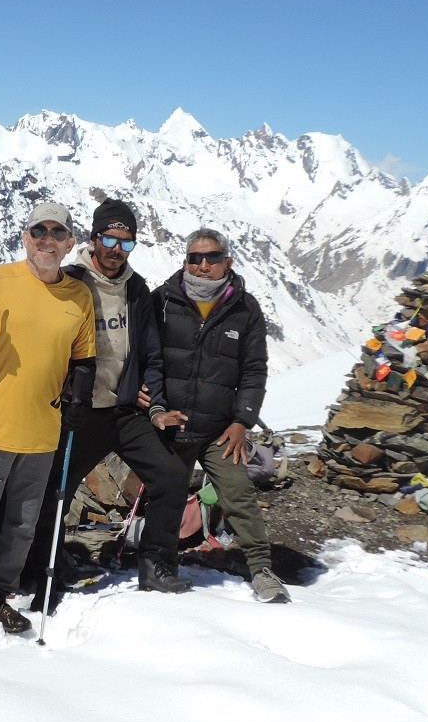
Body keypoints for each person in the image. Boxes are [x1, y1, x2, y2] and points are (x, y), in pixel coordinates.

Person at [0, 203, 96, 646]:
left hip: (44, 430)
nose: (47, 239)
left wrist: (79, 399)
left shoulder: (79, 296)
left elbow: (84, 358)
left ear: (69, 243)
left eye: (57, 232)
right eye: (38, 230)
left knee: (22, 525)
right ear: (24, 237)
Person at [24, 198, 193, 595]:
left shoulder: (136, 290)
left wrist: (154, 405)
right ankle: (44, 562)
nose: (117, 250)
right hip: (80, 412)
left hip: (124, 410)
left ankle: (156, 564)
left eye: (126, 242)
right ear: (94, 237)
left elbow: (151, 353)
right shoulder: (69, 281)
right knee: (54, 490)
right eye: (109, 239)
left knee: (169, 474)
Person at [149, 228, 286, 602]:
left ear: (228, 261)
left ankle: (261, 568)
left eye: (211, 257)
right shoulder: (162, 301)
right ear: (185, 261)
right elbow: (149, 360)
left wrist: (242, 420)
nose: (203, 265)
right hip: (171, 426)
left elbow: (254, 369)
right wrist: (157, 406)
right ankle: (161, 563)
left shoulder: (245, 308)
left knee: (239, 494)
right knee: (167, 496)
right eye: (195, 258)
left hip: (219, 430)